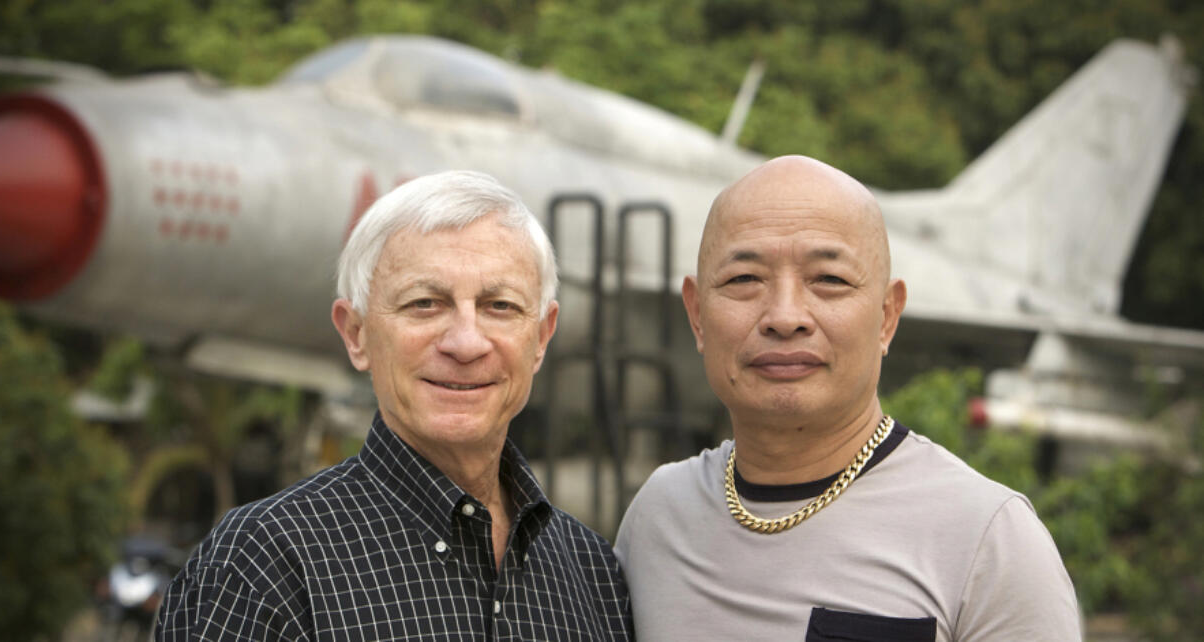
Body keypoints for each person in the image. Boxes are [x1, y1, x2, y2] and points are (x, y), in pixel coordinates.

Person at [614, 155, 1080, 640]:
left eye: (829, 280)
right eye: (744, 280)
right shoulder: (658, 518)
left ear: (886, 316)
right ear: (696, 316)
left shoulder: (988, 541)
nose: (785, 316)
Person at [156, 170, 633, 641]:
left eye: (500, 306)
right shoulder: (263, 564)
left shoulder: (594, 573)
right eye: (425, 303)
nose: (466, 343)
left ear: (542, 337)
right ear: (356, 333)